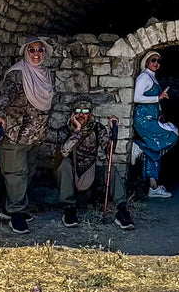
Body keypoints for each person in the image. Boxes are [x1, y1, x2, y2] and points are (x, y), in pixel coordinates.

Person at [0, 36, 54, 234]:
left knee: (27, 172)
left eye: (40, 50)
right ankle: (16, 213)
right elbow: (6, 95)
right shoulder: (18, 74)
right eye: (32, 50)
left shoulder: (45, 74)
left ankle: (12, 208)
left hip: (35, 135)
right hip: (16, 134)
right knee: (15, 174)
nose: (36, 54)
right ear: (25, 52)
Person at [56, 99, 135, 230]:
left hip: (90, 171)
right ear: (72, 114)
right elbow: (63, 152)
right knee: (64, 164)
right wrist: (77, 131)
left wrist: (112, 131)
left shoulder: (97, 129)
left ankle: (122, 210)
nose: (81, 114)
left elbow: (109, 151)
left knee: (112, 170)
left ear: (90, 114)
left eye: (85, 111)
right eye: (78, 111)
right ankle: (69, 209)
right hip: (71, 173)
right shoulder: (64, 131)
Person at [132, 50, 179, 198]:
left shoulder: (152, 77)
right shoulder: (144, 77)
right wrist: (158, 98)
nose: (156, 63)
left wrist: (159, 111)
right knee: (172, 135)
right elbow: (136, 97)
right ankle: (140, 146)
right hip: (143, 119)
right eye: (153, 60)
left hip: (152, 117)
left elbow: (153, 98)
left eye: (158, 61)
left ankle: (153, 187)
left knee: (153, 151)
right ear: (146, 61)